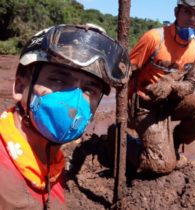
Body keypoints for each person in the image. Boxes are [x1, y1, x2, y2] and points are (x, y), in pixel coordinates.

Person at [0, 24, 130, 209]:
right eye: (59, 80)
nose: (74, 103)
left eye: (89, 89)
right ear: (20, 87)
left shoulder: (53, 163)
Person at [127, 0, 195, 174]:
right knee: (159, 165)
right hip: (143, 106)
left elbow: (191, 84)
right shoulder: (154, 38)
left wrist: (171, 86)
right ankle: (118, 138)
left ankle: (172, 146)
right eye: (187, 12)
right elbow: (126, 72)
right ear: (176, 12)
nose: (192, 18)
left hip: (169, 104)